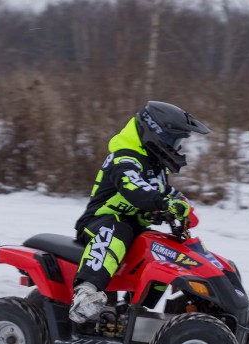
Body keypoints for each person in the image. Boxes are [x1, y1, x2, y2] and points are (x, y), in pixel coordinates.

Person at [69, 101, 211, 323]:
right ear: (156, 134)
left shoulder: (155, 166)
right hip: (99, 223)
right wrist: (164, 203)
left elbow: (166, 192)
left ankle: (133, 310)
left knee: (163, 249)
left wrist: (182, 207)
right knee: (117, 229)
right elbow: (135, 189)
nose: (176, 147)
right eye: (173, 141)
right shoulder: (125, 158)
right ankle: (86, 292)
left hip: (135, 230)